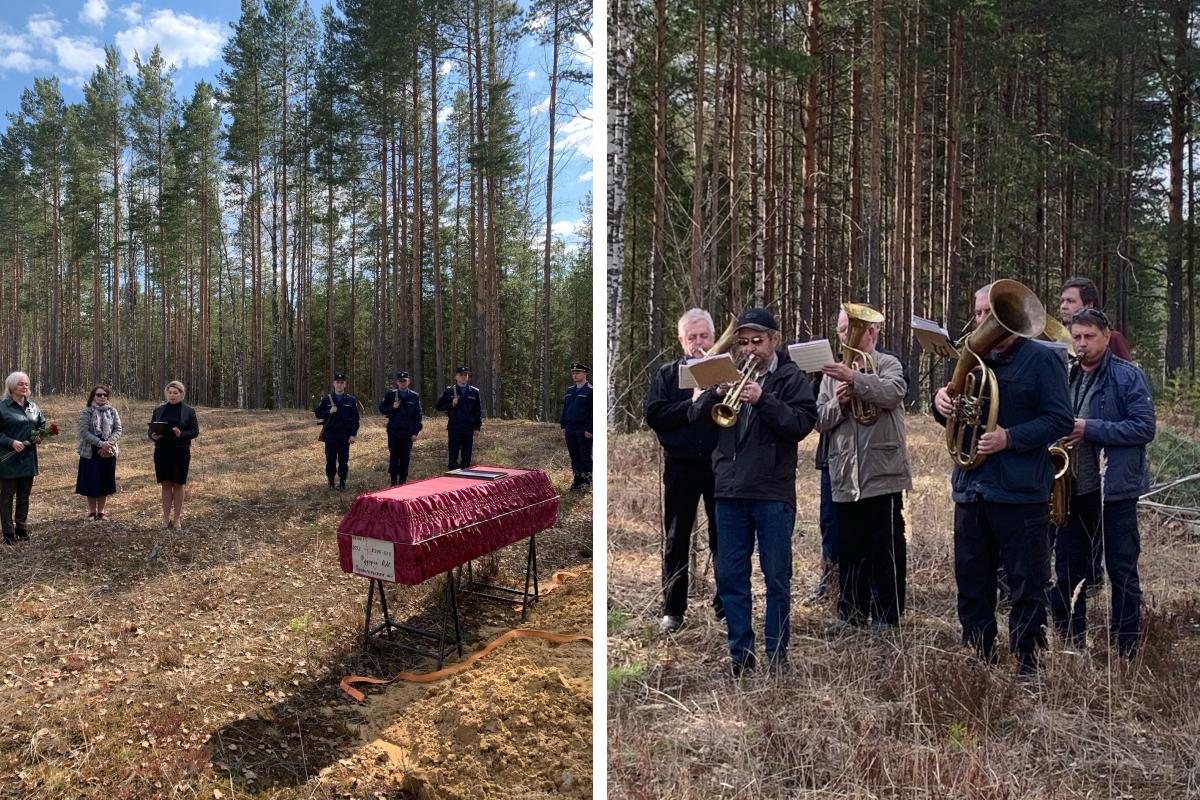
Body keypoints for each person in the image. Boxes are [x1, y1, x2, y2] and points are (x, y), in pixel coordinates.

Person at [933, 284, 1073, 678]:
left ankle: (1027, 662)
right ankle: (978, 655)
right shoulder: (973, 359)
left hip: (1020, 492)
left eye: (989, 313)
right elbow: (958, 414)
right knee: (972, 579)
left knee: (1026, 583)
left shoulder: (1043, 360)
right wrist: (939, 404)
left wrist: (1010, 437)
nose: (983, 321)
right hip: (971, 487)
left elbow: (1060, 419)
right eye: (978, 313)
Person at [689, 308, 818, 675]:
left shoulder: (791, 377)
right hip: (729, 491)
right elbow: (695, 421)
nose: (750, 349)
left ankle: (778, 655)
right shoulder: (726, 372)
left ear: (775, 340)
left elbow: (799, 425)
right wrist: (713, 393)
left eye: (757, 341)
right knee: (731, 578)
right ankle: (740, 656)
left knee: (777, 577)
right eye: (744, 342)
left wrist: (763, 398)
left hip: (772, 493)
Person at [1050, 308, 1154, 657]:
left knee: (1121, 571)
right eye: (1076, 337)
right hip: (1072, 488)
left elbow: (1144, 427)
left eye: (1089, 336)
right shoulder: (1065, 374)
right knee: (1067, 570)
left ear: (1107, 336)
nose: (1082, 344)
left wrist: (1089, 428)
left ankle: (1125, 651)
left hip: (1115, 490)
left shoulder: (1128, 376)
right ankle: (1071, 644)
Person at [817, 307, 911, 629]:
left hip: (881, 471)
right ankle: (851, 614)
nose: (845, 336)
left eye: (851, 329)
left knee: (885, 546)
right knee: (850, 547)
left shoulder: (889, 364)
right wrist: (839, 403)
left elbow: (893, 393)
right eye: (842, 331)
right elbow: (820, 420)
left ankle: (888, 615)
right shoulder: (832, 375)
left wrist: (855, 379)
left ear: (872, 332)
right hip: (845, 472)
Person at [645, 309, 722, 633]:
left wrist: (718, 391)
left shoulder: (724, 370)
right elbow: (654, 414)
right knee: (676, 539)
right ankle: (673, 610)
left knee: (725, 538)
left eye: (704, 336)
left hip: (721, 466)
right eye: (692, 337)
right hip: (681, 468)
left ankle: (726, 605)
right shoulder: (667, 374)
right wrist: (691, 405)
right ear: (681, 340)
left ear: (714, 337)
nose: (699, 343)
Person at [0, 372, 47, 544]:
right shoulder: (2, 407)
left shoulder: (33, 407)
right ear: (11, 386)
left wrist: (40, 435)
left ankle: (21, 528)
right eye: (21, 384)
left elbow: (42, 424)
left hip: (28, 459)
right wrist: (11, 442)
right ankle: (8, 532)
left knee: (24, 496)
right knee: (6, 497)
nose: (25, 387)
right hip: (8, 460)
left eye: (27, 384)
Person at [149, 381, 200, 530]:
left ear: (181, 394)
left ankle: (177, 519)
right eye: (170, 392)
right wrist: (153, 435)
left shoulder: (189, 411)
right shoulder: (158, 410)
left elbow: (195, 431)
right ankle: (165, 519)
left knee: (178, 484)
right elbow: (150, 430)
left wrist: (181, 434)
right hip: (162, 451)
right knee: (166, 484)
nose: (172, 395)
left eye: (175, 393)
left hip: (181, 452)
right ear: (166, 394)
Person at [75, 385, 123, 520]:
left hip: (109, 450)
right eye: (99, 395)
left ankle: (101, 512)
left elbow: (118, 430)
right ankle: (91, 512)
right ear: (93, 397)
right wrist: (101, 443)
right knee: (91, 480)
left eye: (105, 395)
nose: (102, 397)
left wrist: (109, 444)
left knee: (105, 480)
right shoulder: (86, 412)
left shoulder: (113, 411)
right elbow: (84, 432)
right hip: (90, 451)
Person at [1059, 277, 1132, 360]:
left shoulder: (1113, 339)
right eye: (1062, 301)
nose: (1063, 306)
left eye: (1070, 301)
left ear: (1089, 305)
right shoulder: (1059, 337)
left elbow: (1126, 371)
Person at [315, 372, 360, 490]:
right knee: (330, 461)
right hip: (330, 436)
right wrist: (328, 412)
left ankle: (342, 482)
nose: (339, 385)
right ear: (334, 384)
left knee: (343, 462)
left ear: (345, 385)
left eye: (342, 383)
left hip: (345, 436)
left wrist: (353, 435)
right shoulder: (326, 399)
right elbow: (318, 413)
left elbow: (356, 420)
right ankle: (330, 482)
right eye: (337, 382)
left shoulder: (351, 400)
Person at [379, 371, 422, 486]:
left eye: (405, 381)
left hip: (408, 434)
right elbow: (382, 409)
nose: (403, 383)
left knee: (405, 458)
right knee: (394, 457)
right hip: (394, 432)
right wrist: (392, 407)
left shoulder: (414, 396)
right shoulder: (390, 394)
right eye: (401, 381)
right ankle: (393, 482)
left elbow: (418, 416)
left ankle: (403, 482)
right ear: (397, 382)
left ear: (409, 381)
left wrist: (415, 432)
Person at [436, 367, 483, 470]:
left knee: (466, 458)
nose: (463, 377)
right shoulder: (449, 391)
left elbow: (478, 412)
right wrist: (451, 404)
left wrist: (477, 427)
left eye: (465, 375)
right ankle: (453, 481)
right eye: (461, 375)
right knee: (453, 457)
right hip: (455, 427)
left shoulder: (474, 392)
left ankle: (465, 482)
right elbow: (439, 406)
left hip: (468, 428)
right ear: (456, 376)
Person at [560, 362, 594, 492]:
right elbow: (566, 408)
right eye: (573, 373)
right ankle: (577, 480)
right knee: (574, 456)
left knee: (584, 456)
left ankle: (586, 481)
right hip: (570, 428)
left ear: (585, 373)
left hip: (583, 429)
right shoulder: (570, 390)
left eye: (578, 372)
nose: (575, 375)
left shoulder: (591, 391)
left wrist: (591, 429)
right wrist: (563, 423)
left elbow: (593, 412)